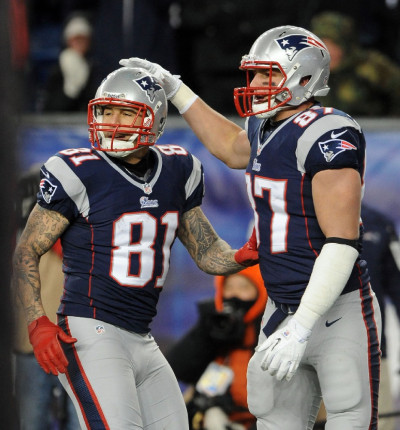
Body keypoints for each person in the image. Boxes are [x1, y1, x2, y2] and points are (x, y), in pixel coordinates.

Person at [121, 23, 382, 429]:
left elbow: (342, 242)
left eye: (268, 74)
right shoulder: (265, 124)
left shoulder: (330, 133)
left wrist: (303, 325)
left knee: (349, 417)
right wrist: (178, 91)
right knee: (273, 419)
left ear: (305, 77)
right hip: (280, 306)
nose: (257, 83)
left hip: (334, 311)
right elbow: (231, 147)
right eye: (256, 73)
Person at [12, 66, 258, 429]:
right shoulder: (77, 171)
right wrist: (37, 322)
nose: (113, 121)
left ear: (155, 119)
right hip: (91, 331)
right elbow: (26, 252)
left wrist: (244, 255)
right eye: (106, 111)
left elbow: (206, 252)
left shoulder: (179, 169)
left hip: (143, 336)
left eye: (127, 112)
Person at [13, 168, 80, 429]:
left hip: (75, 342)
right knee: (31, 421)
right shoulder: (21, 233)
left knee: (81, 421)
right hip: (33, 341)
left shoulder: (82, 230)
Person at [167, 265, 267, 430]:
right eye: (229, 287)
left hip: (262, 420)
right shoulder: (214, 324)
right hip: (214, 415)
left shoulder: (270, 330)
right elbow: (178, 368)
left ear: (259, 291)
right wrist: (207, 331)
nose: (235, 295)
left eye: (244, 287)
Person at [310, 11, 400, 117]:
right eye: (322, 44)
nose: (329, 51)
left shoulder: (369, 66)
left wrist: (391, 123)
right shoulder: (304, 71)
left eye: (334, 44)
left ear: (346, 45)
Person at [41, 14, 100, 112]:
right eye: (76, 39)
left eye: (83, 39)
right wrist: (72, 89)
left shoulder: (94, 67)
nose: (80, 43)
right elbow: (51, 106)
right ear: (68, 41)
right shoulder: (58, 69)